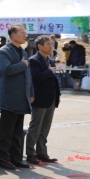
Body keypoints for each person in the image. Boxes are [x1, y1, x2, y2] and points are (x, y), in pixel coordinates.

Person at [0, 24, 34, 170]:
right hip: (9, 97)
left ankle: (16, 158)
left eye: (25, 33)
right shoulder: (3, 52)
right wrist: (23, 64)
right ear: (13, 35)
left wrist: (31, 93)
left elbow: (28, 75)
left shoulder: (23, 51)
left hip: (22, 97)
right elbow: (7, 70)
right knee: (7, 131)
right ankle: (4, 158)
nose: (25, 35)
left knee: (18, 131)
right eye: (22, 33)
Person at [26, 35, 60, 165]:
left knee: (45, 128)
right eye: (48, 44)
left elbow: (53, 80)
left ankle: (42, 152)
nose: (51, 47)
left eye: (52, 44)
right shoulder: (34, 60)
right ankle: (30, 153)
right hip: (39, 98)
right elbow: (35, 77)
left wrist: (58, 95)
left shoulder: (50, 60)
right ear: (39, 46)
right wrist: (49, 71)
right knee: (35, 126)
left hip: (51, 98)